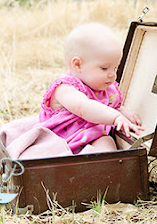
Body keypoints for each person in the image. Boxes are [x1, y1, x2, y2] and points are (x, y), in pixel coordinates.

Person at [39, 22, 144, 155]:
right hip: (63, 141)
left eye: (115, 68)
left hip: (92, 137)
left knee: (106, 142)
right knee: (105, 142)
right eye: (104, 68)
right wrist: (116, 117)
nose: (112, 74)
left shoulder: (104, 88)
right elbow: (84, 107)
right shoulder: (65, 88)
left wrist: (123, 112)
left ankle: (103, 163)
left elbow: (109, 106)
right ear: (77, 65)